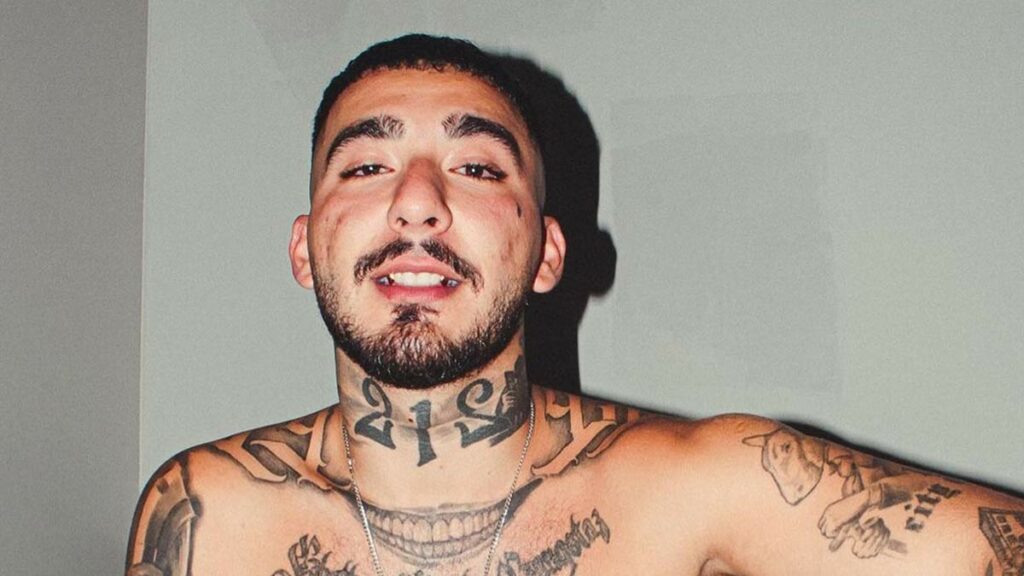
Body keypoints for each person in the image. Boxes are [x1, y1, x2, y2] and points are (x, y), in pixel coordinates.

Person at [126, 34, 1023, 576]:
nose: (417, 203)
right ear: (303, 249)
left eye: (476, 168)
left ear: (547, 254)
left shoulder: (701, 489)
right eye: (366, 166)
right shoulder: (207, 511)